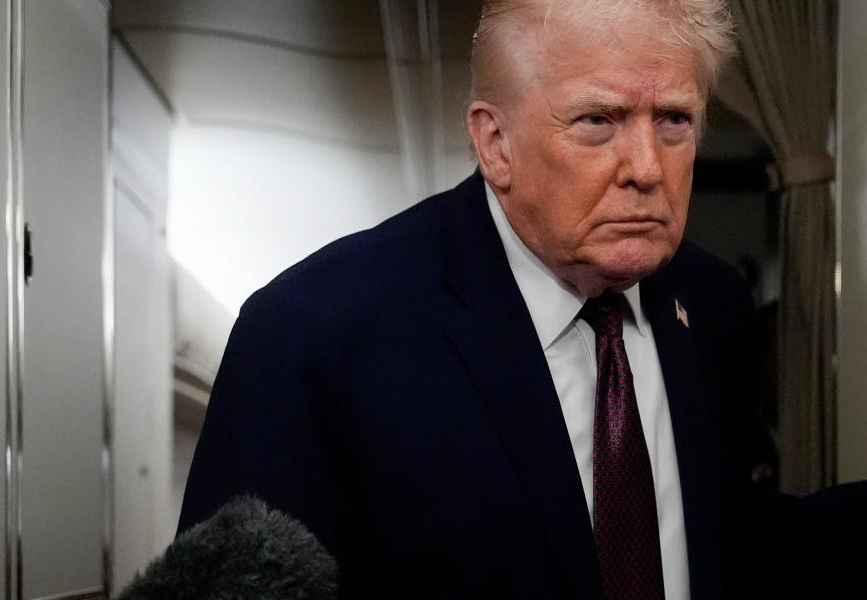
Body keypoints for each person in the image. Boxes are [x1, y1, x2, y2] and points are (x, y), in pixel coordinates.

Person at [177, 1, 800, 598]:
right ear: (496, 142)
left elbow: (733, 547)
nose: (646, 167)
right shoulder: (310, 335)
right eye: (598, 120)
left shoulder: (712, 305)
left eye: (674, 120)